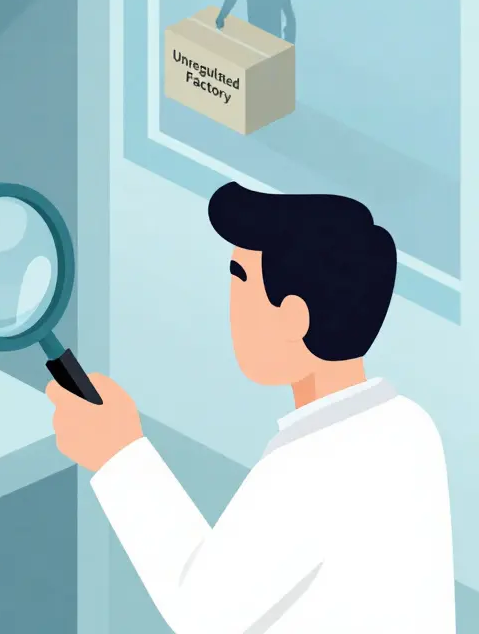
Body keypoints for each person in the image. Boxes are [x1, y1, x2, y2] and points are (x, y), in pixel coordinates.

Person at [48, 183, 454, 632]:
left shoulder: (310, 465)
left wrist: (119, 454)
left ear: (293, 318)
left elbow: (200, 613)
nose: (230, 304)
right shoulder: (411, 426)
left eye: (239, 279)